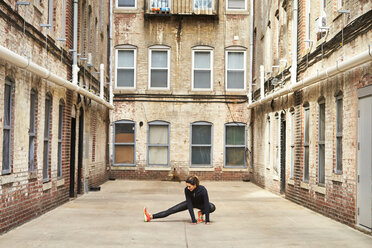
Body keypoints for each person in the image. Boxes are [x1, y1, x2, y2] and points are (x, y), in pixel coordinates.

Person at [143, 176, 216, 224]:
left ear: (195, 185)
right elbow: (189, 204)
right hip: (190, 203)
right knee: (170, 210)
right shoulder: (186, 190)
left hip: (201, 204)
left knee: (212, 207)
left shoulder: (203, 190)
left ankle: (201, 213)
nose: (188, 188)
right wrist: (193, 220)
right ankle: (150, 216)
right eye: (187, 186)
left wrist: (207, 220)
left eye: (189, 186)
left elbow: (206, 203)